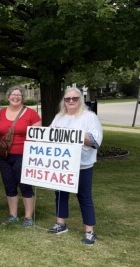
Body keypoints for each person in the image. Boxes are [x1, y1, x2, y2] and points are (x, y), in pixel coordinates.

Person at [47, 87, 103, 246]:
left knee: (84, 197)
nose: (71, 101)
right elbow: (50, 136)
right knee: (60, 195)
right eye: (67, 99)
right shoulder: (59, 117)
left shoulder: (89, 117)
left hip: (82, 165)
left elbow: (95, 141)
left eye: (74, 98)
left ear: (80, 100)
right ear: (63, 101)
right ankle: (60, 223)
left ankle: (89, 231)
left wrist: (74, 134)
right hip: (61, 165)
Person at [0, 85, 41, 228]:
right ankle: (13, 215)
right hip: (5, 155)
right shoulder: (1, 113)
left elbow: (37, 136)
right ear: (8, 97)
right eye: (13, 94)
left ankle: (28, 217)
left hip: (24, 155)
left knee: (25, 185)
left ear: (23, 97)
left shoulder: (31, 114)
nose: (16, 97)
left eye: (19, 95)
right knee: (9, 185)